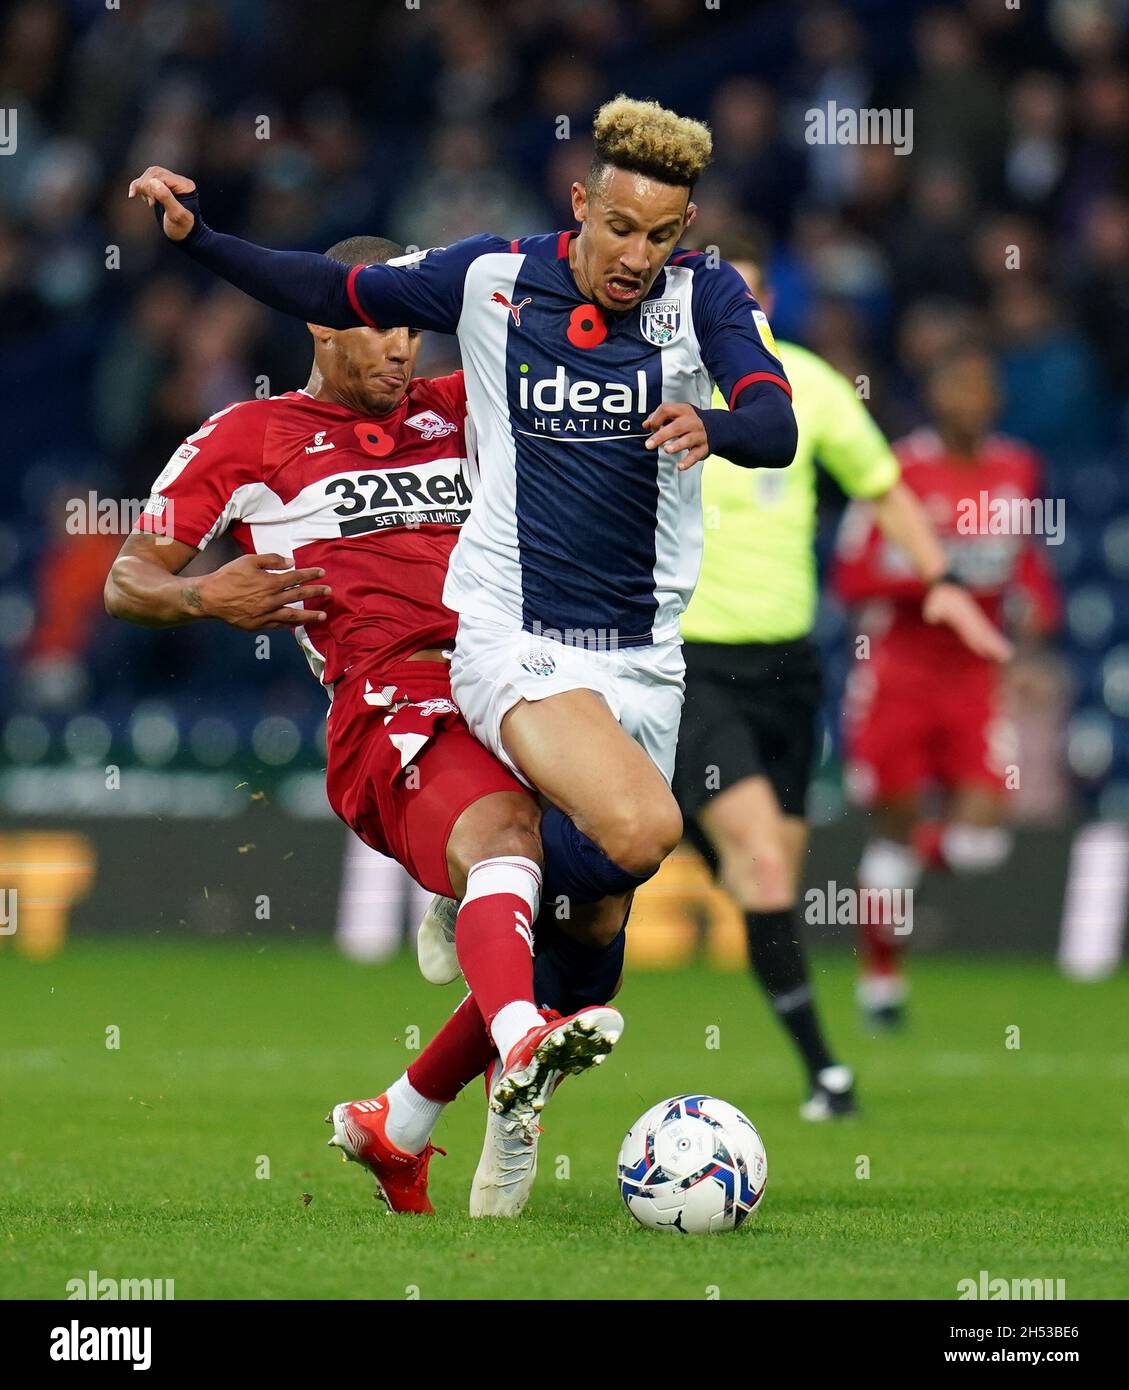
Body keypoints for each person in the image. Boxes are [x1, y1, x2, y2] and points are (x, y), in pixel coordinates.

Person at [125, 97, 799, 989]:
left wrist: (717, 424)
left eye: (661, 235)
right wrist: (198, 237)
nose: (638, 257)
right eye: (622, 228)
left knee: (596, 916)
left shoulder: (670, 309)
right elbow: (333, 291)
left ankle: (447, 1089)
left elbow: (773, 422)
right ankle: (491, 900)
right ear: (579, 204)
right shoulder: (476, 289)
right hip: (477, 660)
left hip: (635, 651)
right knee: (614, 838)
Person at [105, 235, 626, 1219]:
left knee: (597, 900)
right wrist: (204, 596)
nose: (400, 350)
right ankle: (517, 1030)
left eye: (412, 330)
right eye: (378, 326)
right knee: (510, 846)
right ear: (318, 319)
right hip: (392, 697)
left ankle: (404, 1114)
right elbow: (127, 579)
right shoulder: (250, 434)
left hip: (518, 681)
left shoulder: (461, 408)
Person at [675, 234, 1012, 1112]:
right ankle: (826, 1070)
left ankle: (684, 835)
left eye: (745, 297)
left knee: (764, 874)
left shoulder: (810, 388)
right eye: (716, 294)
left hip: (788, 672)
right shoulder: (656, 377)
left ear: (765, 306)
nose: (732, 313)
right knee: (764, 864)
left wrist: (937, 579)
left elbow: (883, 483)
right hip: (687, 661)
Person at [832, 344, 1060, 1026]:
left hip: (973, 678)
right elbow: (849, 576)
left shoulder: (1016, 468)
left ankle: (892, 878)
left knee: (981, 840)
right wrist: (933, 582)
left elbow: (1021, 560)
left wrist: (1035, 607)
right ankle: (880, 980)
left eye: (981, 388)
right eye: (957, 387)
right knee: (895, 828)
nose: (970, 401)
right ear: (935, 397)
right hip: (898, 674)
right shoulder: (895, 470)